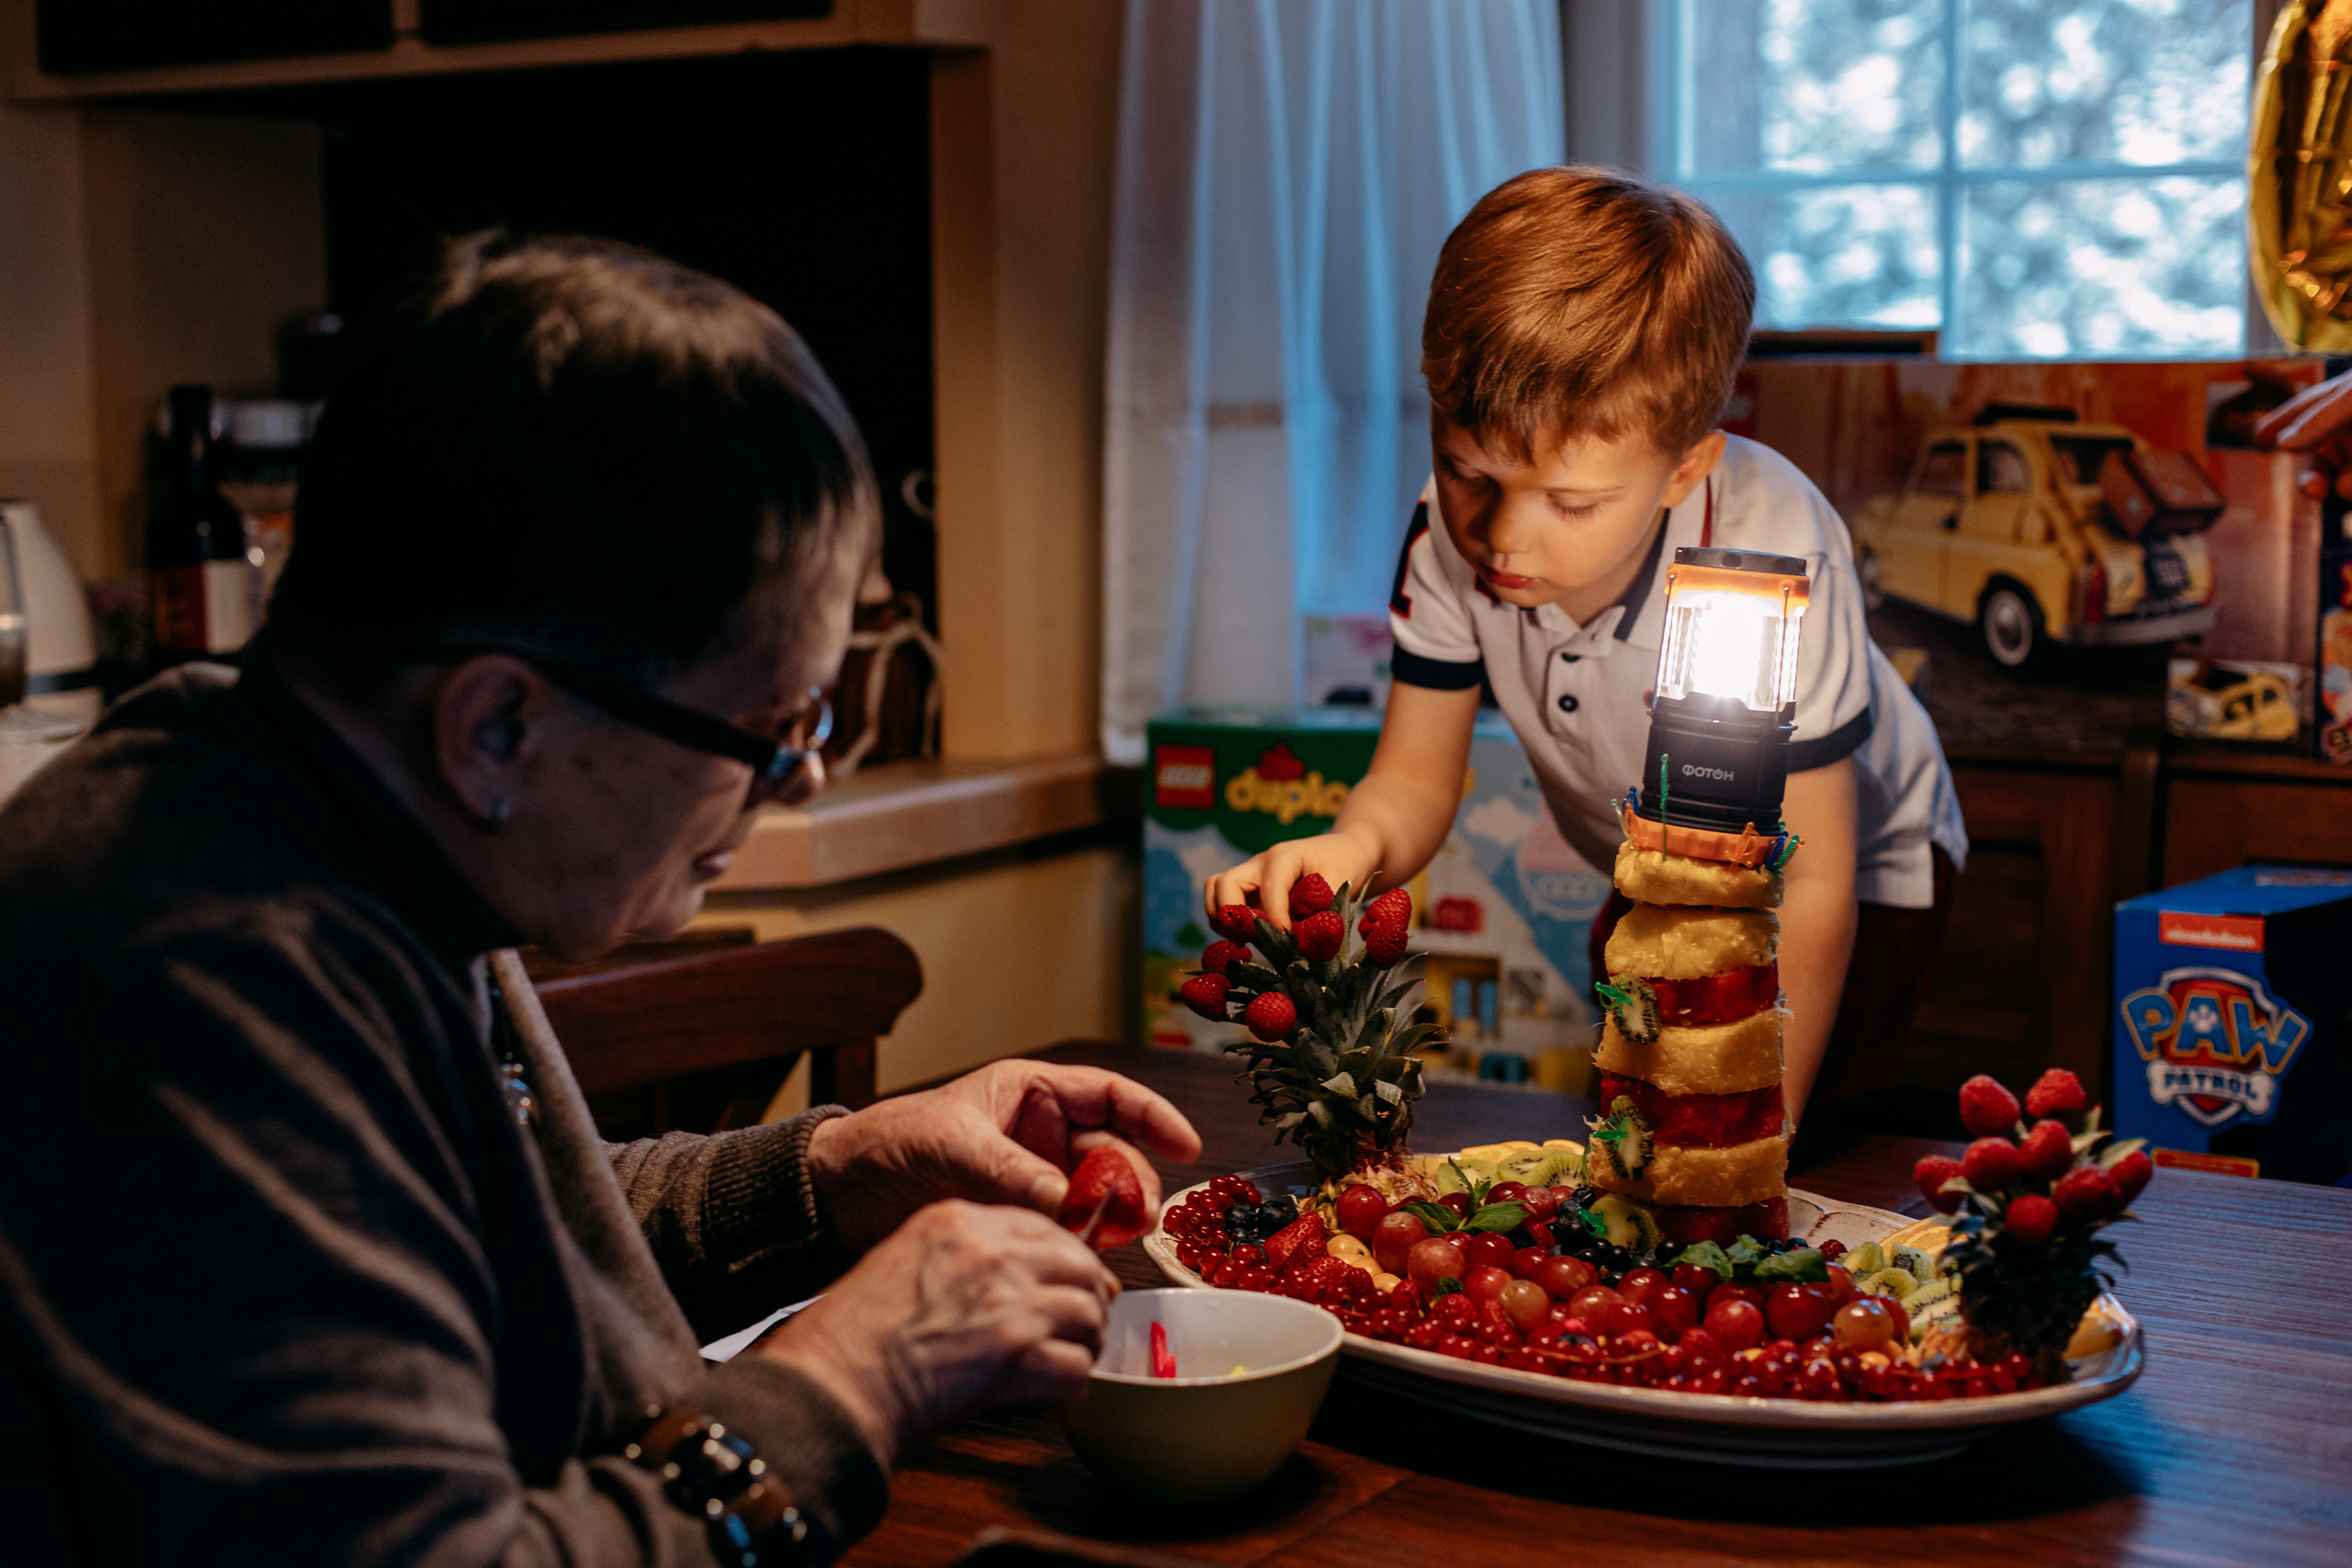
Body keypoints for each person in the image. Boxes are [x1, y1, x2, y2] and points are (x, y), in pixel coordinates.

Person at [0, 233, 1200, 1565]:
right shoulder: (199, 979)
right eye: (771, 728)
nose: (796, 786)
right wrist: (862, 1377)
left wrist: (833, 1170)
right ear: (500, 724)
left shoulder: (335, 799)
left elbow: (479, 1228)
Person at [1206, 168, 1967, 1137]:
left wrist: (1760, 1140)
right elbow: (1410, 784)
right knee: (1630, 1100)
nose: (1504, 537)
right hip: (1645, 855)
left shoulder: (1768, 546)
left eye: (1570, 502)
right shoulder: (1445, 530)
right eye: (1468, 471)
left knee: (1779, 1132)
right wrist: (1346, 850)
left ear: (1686, 464)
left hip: (1854, 866)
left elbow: (1809, 880)